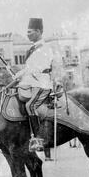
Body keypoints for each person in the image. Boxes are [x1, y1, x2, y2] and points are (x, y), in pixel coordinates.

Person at [14, 18, 54, 152]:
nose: (28, 34)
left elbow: (37, 68)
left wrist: (20, 74)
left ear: (38, 31)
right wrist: (18, 74)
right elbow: (29, 67)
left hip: (42, 83)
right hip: (33, 82)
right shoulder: (34, 48)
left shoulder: (45, 48)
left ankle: (38, 140)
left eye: (30, 32)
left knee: (30, 105)